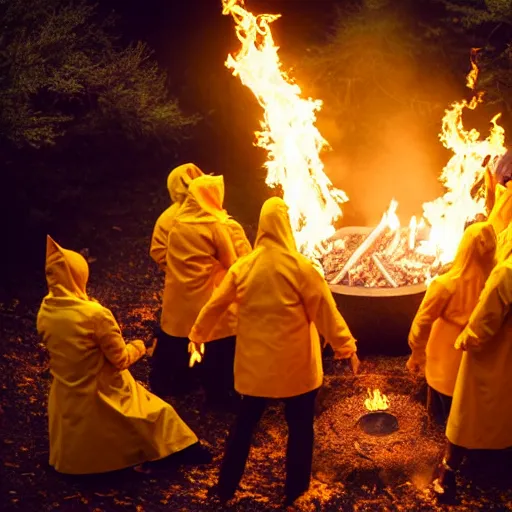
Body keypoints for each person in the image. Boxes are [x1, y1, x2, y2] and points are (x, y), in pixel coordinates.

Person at [189, 197, 359, 507]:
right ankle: (294, 491)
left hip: (257, 370)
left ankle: (225, 487)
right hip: (296, 369)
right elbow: (325, 311)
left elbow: (215, 304)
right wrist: (345, 347)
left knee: (244, 425)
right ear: (286, 227)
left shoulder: (244, 267)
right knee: (300, 429)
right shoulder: (301, 268)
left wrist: (197, 335)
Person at [37, 236, 210, 475]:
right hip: (101, 388)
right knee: (160, 413)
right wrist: (141, 345)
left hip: (66, 392)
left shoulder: (46, 309)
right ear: (78, 276)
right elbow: (120, 360)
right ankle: (178, 451)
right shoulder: (95, 315)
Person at [150, 174, 249, 403]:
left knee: (178, 339)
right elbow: (232, 263)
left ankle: (174, 384)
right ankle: (220, 395)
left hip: (179, 296)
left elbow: (167, 256)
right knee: (220, 341)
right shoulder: (214, 226)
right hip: (205, 295)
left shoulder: (177, 224)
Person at [434, 241, 512, 497]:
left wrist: (463, 339)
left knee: (467, 415)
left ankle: (447, 475)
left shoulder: (506, 273)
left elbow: (483, 325)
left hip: (494, 358)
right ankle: (496, 467)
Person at [406, 222, 496, 424]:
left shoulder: (445, 285)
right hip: (478, 363)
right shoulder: (494, 286)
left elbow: (421, 323)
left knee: (442, 408)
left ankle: (440, 437)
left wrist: (417, 354)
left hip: (445, 361)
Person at [150, 163, 204, 272]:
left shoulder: (166, 217)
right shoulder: (211, 211)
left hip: (180, 279)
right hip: (196, 279)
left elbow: (157, 252)